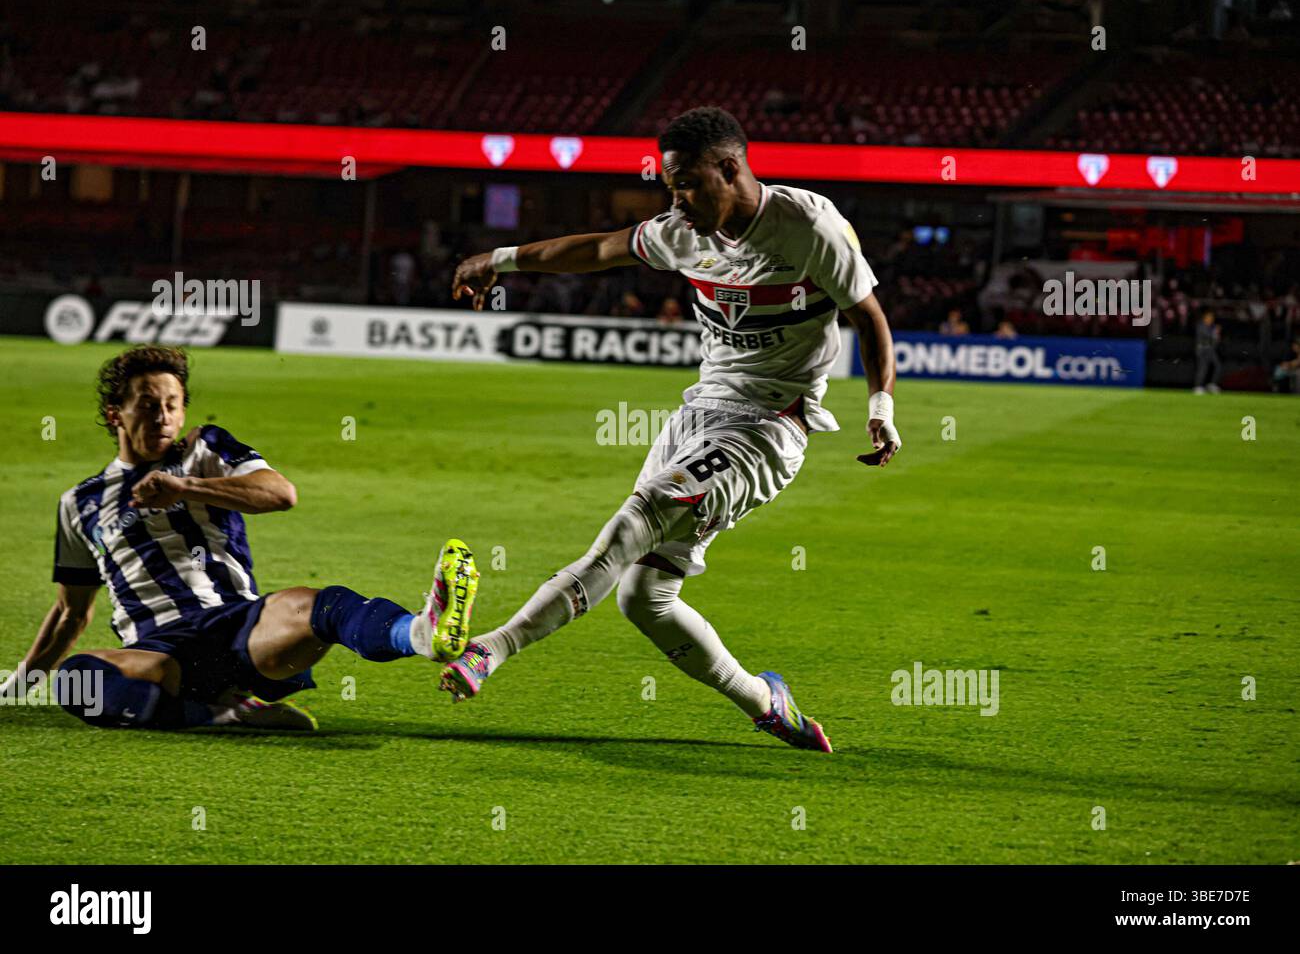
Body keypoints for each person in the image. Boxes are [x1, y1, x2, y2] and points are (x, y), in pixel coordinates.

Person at [449, 107, 902, 753]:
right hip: (698, 414)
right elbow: (599, 249)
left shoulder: (808, 226)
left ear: (730, 168)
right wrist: (500, 258)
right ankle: (764, 700)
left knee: (638, 520)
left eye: (688, 183)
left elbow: (870, 316)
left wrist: (880, 408)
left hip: (770, 425)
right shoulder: (680, 232)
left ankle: (490, 650)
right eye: (669, 186)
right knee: (645, 598)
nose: (677, 199)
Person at [0, 345, 479, 731]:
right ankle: (228, 713)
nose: (164, 417)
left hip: (242, 630)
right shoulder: (79, 502)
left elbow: (280, 493)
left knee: (323, 604)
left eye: (172, 405)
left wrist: (185, 487)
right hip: (157, 653)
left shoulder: (203, 450)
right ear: (115, 415)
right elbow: (71, 611)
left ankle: (420, 633)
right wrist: (19, 684)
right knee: (76, 680)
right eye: (147, 405)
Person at [1195, 309, 1223, 394]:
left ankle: (1212, 384)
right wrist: (1215, 333)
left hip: (1211, 351)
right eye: (1209, 317)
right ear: (1204, 318)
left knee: (1218, 366)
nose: (1210, 319)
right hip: (1203, 350)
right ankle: (1198, 387)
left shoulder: (1212, 327)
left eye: (1211, 317)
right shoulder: (1201, 326)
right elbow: (1206, 337)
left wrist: (1216, 335)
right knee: (1203, 369)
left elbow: (1216, 341)